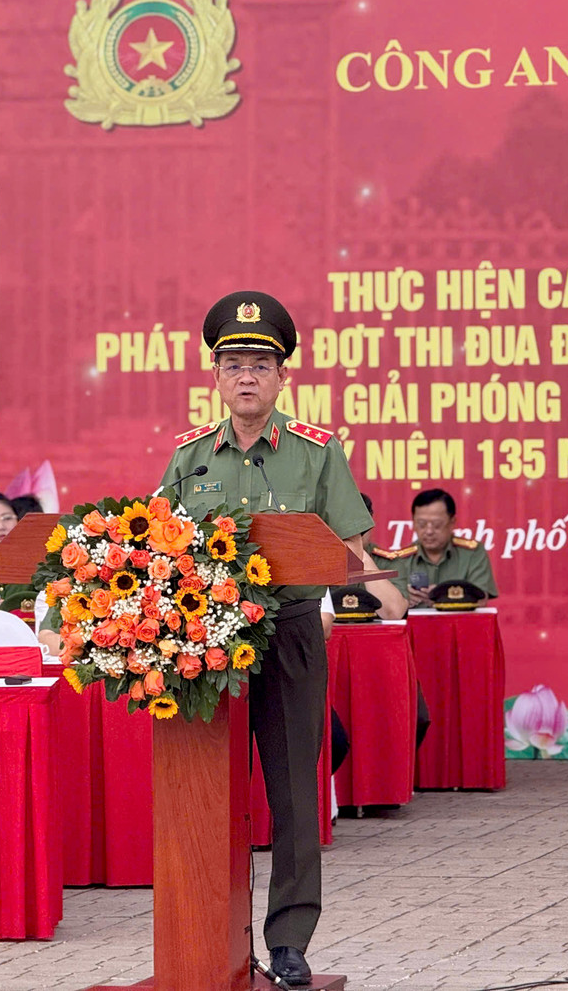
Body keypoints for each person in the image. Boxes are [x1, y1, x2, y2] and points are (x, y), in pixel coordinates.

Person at [159, 290, 373, 987]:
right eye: (232, 363)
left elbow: (352, 542)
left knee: (290, 795)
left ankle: (288, 940)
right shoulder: (190, 457)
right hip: (205, 642)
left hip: (286, 635)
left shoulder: (316, 452)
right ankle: (202, 936)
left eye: (259, 363)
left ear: (282, 376)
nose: (245, 375)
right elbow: (154, 546)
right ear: (216, 377)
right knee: (204, 794)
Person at [381, 488, 498, 608]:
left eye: (437, 525)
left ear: (452, 522)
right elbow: (386, 606)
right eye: (422, 524)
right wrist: (402, 598)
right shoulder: (400, 559)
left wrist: (442, 596)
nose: (429, 531)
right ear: (414, 524)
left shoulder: (472, 553)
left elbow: (481, 599)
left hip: (459, 624)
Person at [332, 494, 407, 621]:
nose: (349, 531)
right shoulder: (316, 561)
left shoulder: (388, 562)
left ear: (370, 523)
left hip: (375, 636)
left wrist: (361, 556)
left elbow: (394, 613)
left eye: (357, 525)